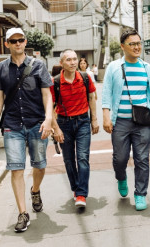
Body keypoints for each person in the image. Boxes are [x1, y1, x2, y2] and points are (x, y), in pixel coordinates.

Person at [0, 27, 53, 232]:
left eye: (21, 40)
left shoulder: (38, 66)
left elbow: (47, 95)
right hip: (12, 125)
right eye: (13, 40)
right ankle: (23, 213)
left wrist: (49, 119)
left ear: (25, 42)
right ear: (6, 44)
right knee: (16, 168)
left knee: (40, 165)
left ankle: (35, 190)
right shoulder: (1, 68)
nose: (17, 43)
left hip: (36, 123)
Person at [102, 28, 150, 211]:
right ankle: (121, 177)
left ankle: (140, 194)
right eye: (132, 44)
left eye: (138, 43)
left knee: (142, 158)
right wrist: (105, 116)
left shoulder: (146, 67)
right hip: (120, 121)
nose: (137, 47)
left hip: (142, 121)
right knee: (120, 158)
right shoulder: (114, 67)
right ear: (123, 46)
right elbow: (106, 93)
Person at [51, 50, 99, 208]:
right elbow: (50, 107)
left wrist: (94, 120)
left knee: (83, 158)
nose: (72, 62)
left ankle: (81, 194)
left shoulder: (85, 78)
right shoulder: (56, 82)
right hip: (64, 123)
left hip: (83, 121)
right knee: (69, 160)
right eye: (68, 60)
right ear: (62, 63)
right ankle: (76, 188)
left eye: (74, 59)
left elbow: (92, 97)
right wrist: (56, 128)